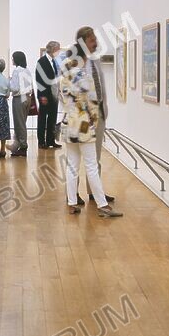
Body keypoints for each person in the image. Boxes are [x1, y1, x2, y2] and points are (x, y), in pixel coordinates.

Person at [59, 28, 122, 218]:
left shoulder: (64, 76)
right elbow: (92, 102)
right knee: (92, 165)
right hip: (85, 125)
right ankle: (102, 205)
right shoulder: (83, 78)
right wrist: (93, 120)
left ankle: (72, 202)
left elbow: (63, 98)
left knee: (72, 165)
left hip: (69, 124)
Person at [35, 41, 61, 149]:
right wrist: (42, 96)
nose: (59, 51)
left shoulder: (54, 62)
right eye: (58, 49)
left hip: (54, 94)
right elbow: (39, 80)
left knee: (52, 118)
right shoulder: (41, 61)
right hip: (45, 95)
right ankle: (41, 141)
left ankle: (51, 140)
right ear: (52, 49)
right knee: (42, 118)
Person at [8, 51, 34, 157]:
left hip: (19, 98)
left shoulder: (16, 71)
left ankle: (23, 146)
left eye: (13, 58)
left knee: (19, 124)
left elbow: (14, 88)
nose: (12, 60)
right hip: (27, 98)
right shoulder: (27, 70)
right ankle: (17, 144)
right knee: (22, 122)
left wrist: (9, 81)